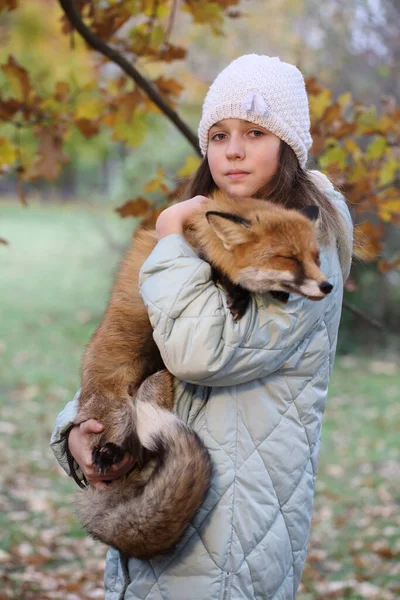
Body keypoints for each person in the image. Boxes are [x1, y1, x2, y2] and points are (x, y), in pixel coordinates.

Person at [50, 54, 353, 600]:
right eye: (218, 135)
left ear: (287, 144)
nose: (232, 150)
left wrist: (169, 243)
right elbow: (136, 344)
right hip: (164, 507)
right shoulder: (212, 224)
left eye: (254, 132)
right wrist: (79, 429)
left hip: (231, 534)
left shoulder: (307, 240)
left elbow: (198, 352)